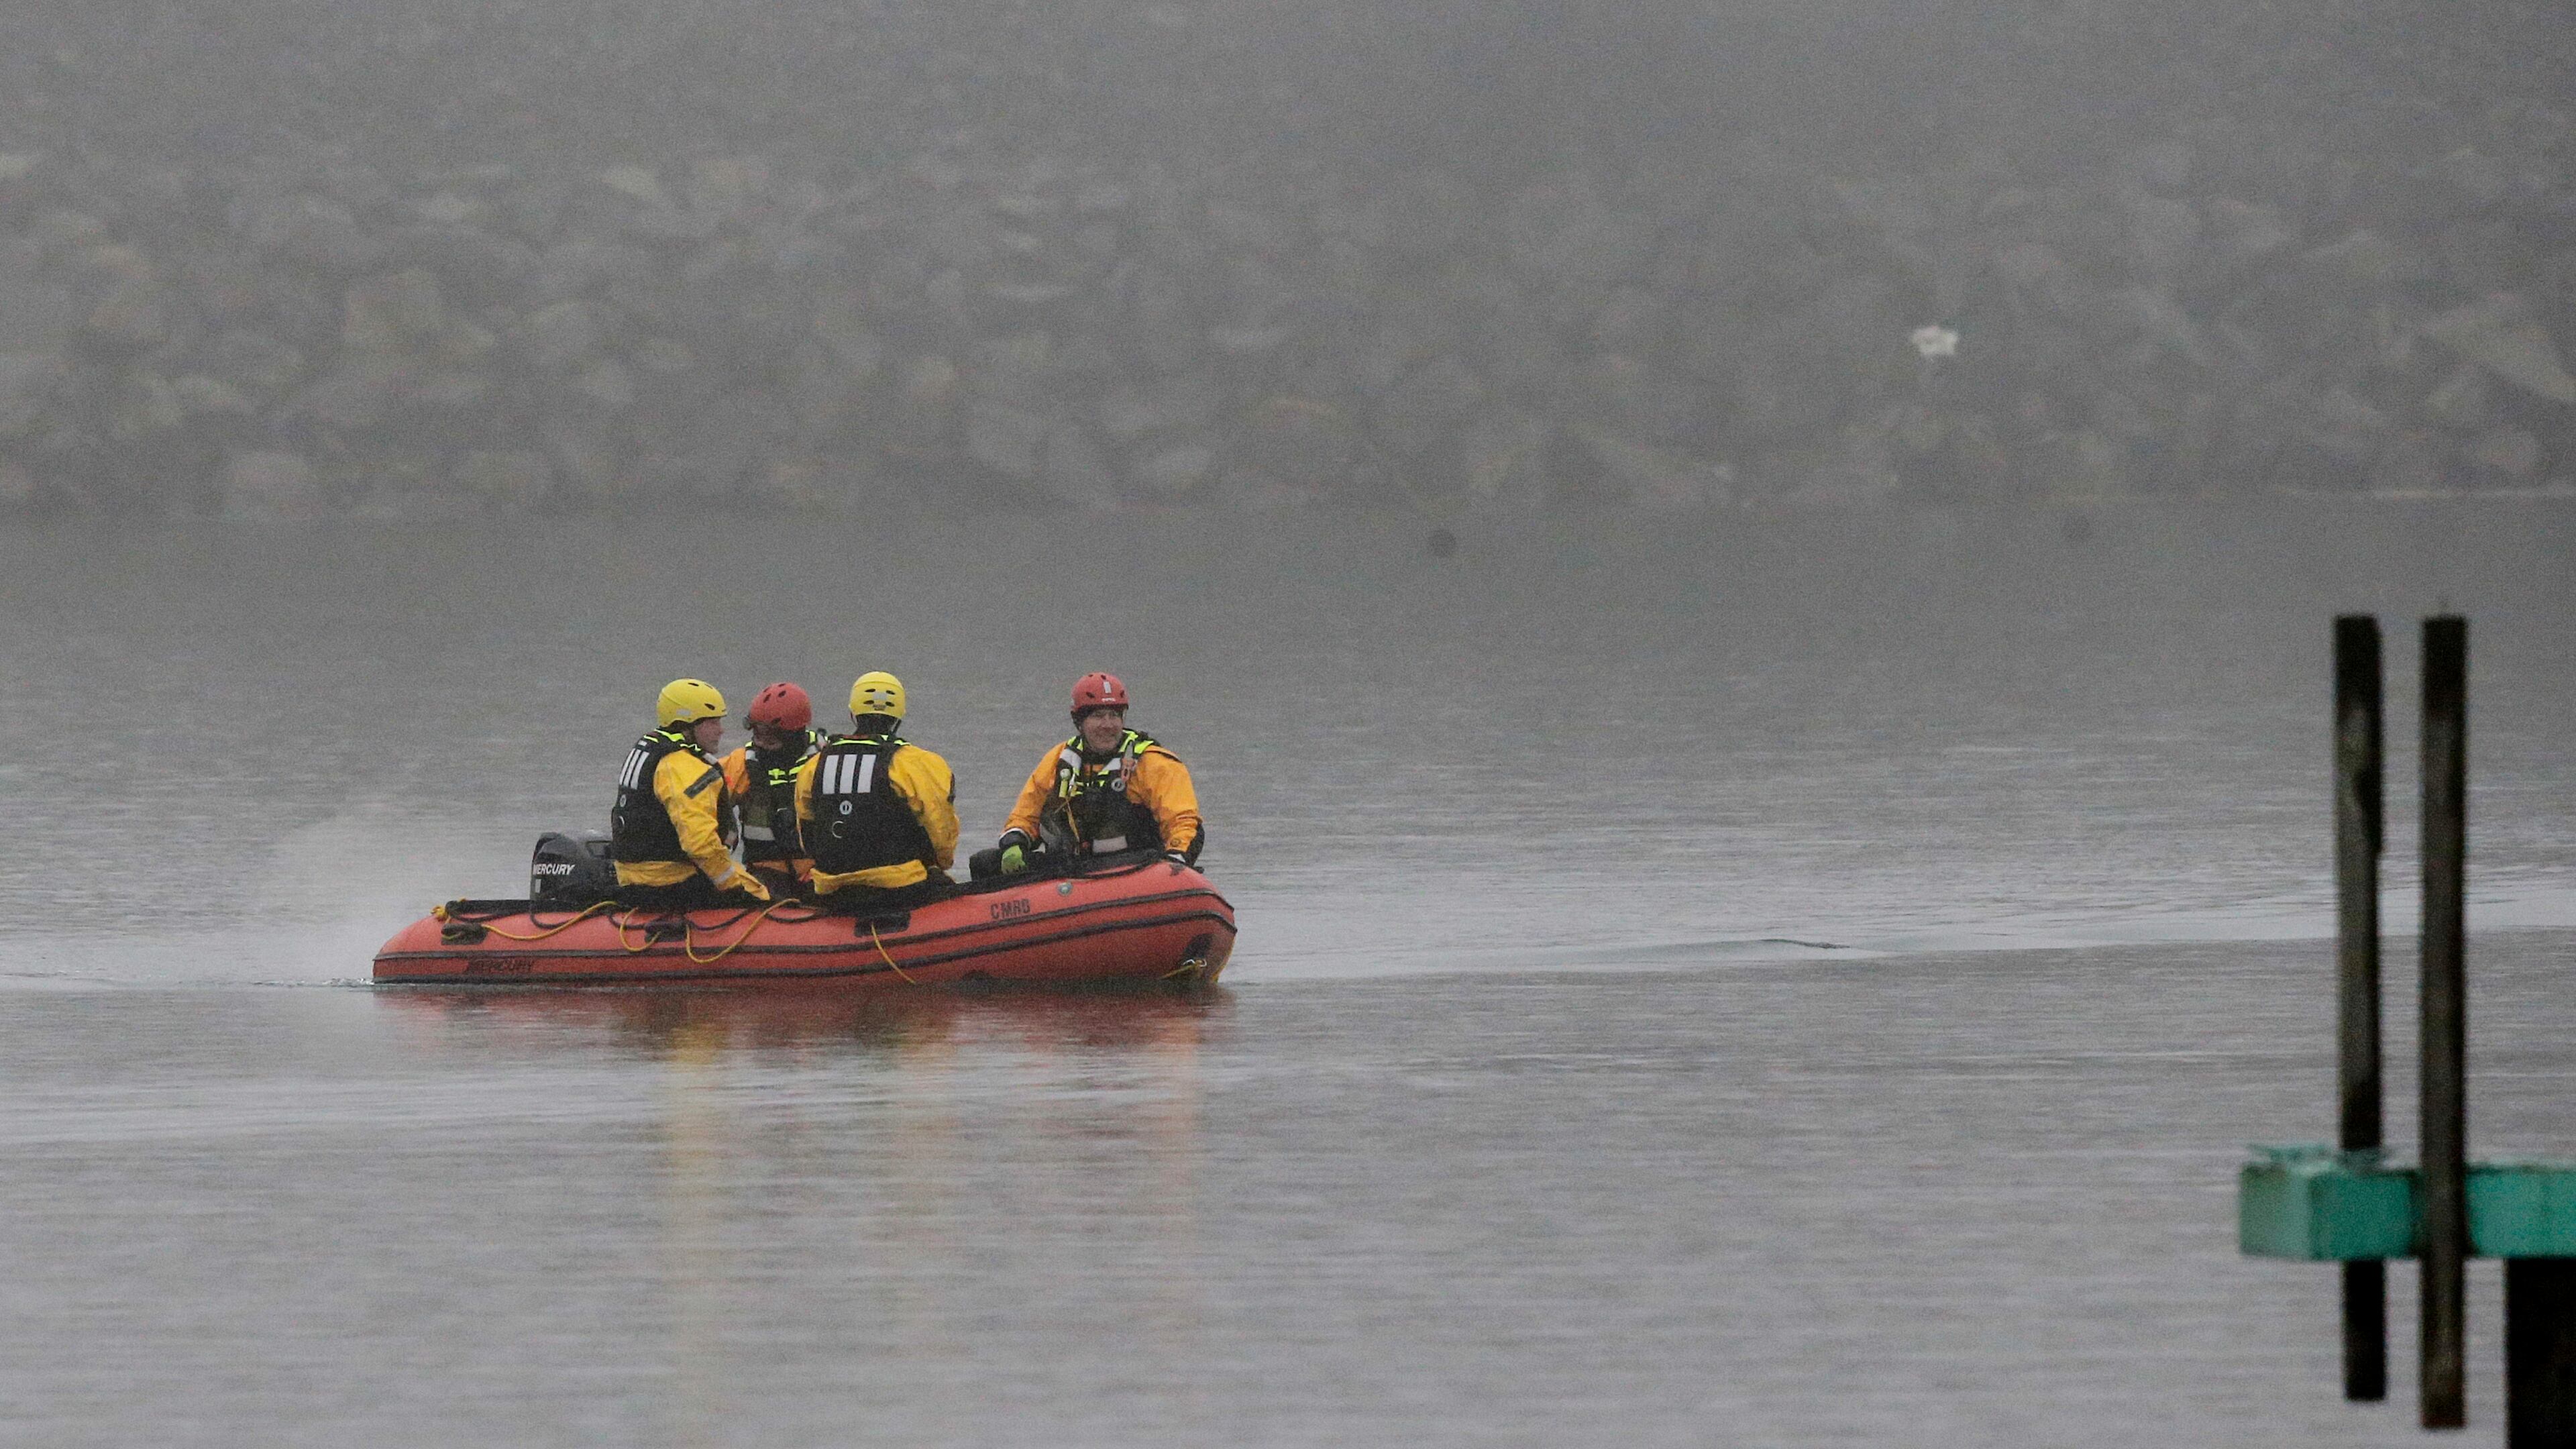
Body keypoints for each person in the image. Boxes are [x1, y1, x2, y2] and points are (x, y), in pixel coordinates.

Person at [991, 672, 1202, 875]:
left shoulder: (1154, 762)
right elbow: (1025, 815)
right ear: (1079, 723)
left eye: (1114, 716)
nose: (1108, 725)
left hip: (1136, 867)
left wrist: (1176, 857)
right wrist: (1015, 843)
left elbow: (1183, 821)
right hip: (1072, 867)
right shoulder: (1059, 761)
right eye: (1099, 716)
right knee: (985, 864)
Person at [794, 671, 960, 910]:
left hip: (834, 889)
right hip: (901, 887)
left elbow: (807, 835)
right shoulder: (918, 764)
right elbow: (941, 832)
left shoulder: (814, 766)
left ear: (853, 713)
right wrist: (939, 865)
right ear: (898, 716)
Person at [612, 678, 772, 908]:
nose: (721, 730)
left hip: (632, 879)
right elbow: (700, 844)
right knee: (759, 893)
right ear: (687, 724)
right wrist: (733, 889)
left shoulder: (649, 749)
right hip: (671, 882)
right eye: (713, 722)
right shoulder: (684, 767)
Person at [720, 682, 822, 898]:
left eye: (769, 733)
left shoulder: (826, 760)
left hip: (819, 870)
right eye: (757, 730)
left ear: (795, 731)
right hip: (765, 872)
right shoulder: (742, 764)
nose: (762, 739)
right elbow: (702, 799)